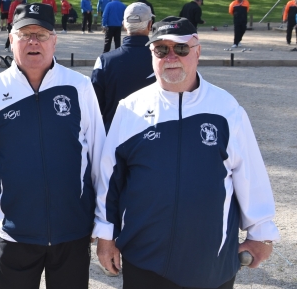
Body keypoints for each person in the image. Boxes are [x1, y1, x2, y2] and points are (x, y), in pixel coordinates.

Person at [96, 16, 280, 289]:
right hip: (144, 258)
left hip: (211, 260)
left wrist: (261, 233)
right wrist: (106, 236)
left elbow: (249, 175)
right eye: (161, 49)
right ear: (151, 54)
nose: (171, 57)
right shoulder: (130, 108)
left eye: (181, 48)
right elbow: (109, 179)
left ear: (198, 51)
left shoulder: (226, 108)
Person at [0, 2, 106, 289]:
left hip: (72, 231)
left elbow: (98, 154)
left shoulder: (79, 87)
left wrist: (99, 215)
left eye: (42, 34)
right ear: (11, 40)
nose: (34, 41)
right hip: (16, 234)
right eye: (25, 33)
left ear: (54, 41)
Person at [91, 2, 155, 132]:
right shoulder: (162, 60)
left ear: (124, 25)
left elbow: (94, 105)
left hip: (114, 135)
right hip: (153, 134)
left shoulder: (105, 61)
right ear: (150, 25)